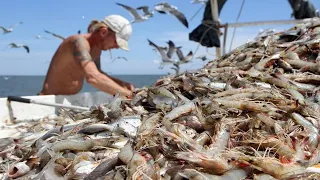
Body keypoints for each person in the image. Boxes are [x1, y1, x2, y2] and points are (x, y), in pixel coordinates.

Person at [38, 15, 135, 98]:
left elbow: (98, 73)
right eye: (116, 42)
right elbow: (93, 77)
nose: (117, 47)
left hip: (68, 101)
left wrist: (122, 84)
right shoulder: (78, 42)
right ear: (103, 32)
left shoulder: (97, 49)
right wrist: (129, 96)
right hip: (47, 100)